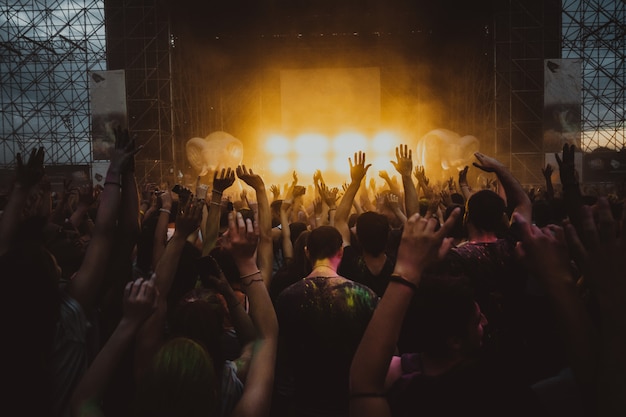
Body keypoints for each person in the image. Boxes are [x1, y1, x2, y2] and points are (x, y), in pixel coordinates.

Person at [349, 209, 546, 417]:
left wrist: (409, 269)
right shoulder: (501, 391)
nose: (486, 321)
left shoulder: (408, 393)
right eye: (478, 319)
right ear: (454, 341)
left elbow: (365, 386)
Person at [274, 223, 379, 417]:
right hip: (349, 404)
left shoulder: (286, 298)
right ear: (341, 251)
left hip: (301, 404)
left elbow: (281, 359)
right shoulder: (364, 296)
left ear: (307, 252)